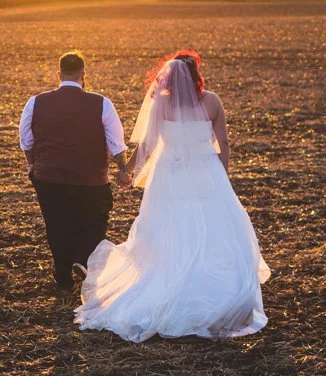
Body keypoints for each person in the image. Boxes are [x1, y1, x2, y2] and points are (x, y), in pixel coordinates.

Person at [75, 50, 270, 340]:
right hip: (206, 172)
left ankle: (169, 277)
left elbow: (148, 145)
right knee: (212, 228)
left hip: (170, 175)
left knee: (171, 228)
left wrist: (127, 171)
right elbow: (224, 142)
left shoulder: (162, 103)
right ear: (196, 75)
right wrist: (222, 175)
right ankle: (212, 284)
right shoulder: (212, 101)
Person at [19, 50, 130, 290]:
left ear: (58, 74)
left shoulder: (36, 102)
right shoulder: (102, 103)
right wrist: (124, 170)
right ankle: (82, 258)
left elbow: (26, 141)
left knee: (56, 223)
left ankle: (63, 275)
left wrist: (32, 165)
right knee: (96, 219)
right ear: (83, 74)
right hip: (90, 178)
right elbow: (116, 144)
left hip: (49, 177)